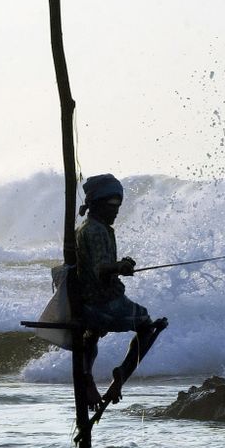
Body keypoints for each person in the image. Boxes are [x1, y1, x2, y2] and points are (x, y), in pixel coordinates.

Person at [76, 174, 168, 409]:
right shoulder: (96, 231)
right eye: (112, 204)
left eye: (119, 204)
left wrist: (120, 264)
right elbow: (100, 270)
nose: (117, 210)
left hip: (86, 304)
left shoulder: (91, 228)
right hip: (104, 303)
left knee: (91, 334)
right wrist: (119, 267)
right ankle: (121, 375)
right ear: (96, 203)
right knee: (147, 326)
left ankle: (87, 376)